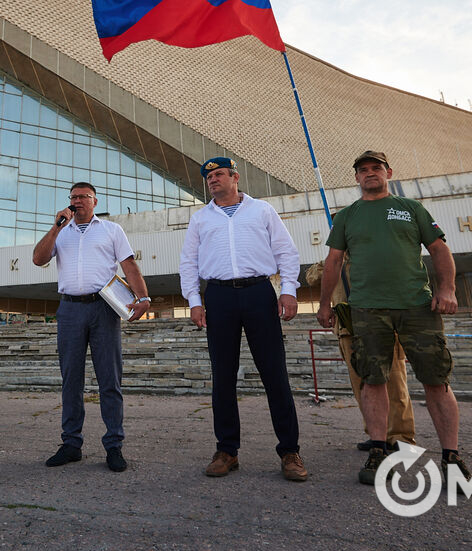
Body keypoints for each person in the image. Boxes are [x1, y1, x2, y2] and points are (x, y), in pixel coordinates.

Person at [317, 150, 471, 486]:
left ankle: (451, 456)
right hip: (368, 309)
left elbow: (440, 250)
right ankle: (378, 448)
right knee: (373, 379)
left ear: (388, 172)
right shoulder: (346, 216)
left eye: (376, 168)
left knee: (436, 379)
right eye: (363, 170)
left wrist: (447, 290)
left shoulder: (410, 209)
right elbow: (333, 262)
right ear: (356, 178)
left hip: (417, 306)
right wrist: (325, 304)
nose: (370, 173)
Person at [178, 157, 308, 482]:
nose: (212, 179)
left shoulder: (262, 210)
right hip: (219, 297)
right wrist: (194, 301)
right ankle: (227, 450)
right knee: (222, 376)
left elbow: (286, 252)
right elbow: (188, 262)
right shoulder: (200, 219)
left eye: (219, 174)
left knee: (274, 373)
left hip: (259, 293)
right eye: (208, 176)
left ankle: (290, 451)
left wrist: (289, 290)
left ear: (235, 177)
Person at [32, 182, 151, 472]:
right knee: (71, 379)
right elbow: (38, 259)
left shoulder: (111, 230)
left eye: (83, 197)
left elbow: (129, 265)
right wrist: (56, 227)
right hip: (70, 308)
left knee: (109, 379)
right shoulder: (62, 232)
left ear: (95, 201)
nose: (77, 202)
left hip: (103, 308)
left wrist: (144, 297)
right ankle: (71, 444)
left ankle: (114, 446)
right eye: (73, 198)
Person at [305, 260, 415, 451]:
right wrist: (333, 260)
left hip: (383, 325)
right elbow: (311, 278)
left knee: (395, 383)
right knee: (361, 386)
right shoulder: (334, 261)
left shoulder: (372, 252)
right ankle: (376, 435)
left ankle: (401, 436)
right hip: (349, 328)